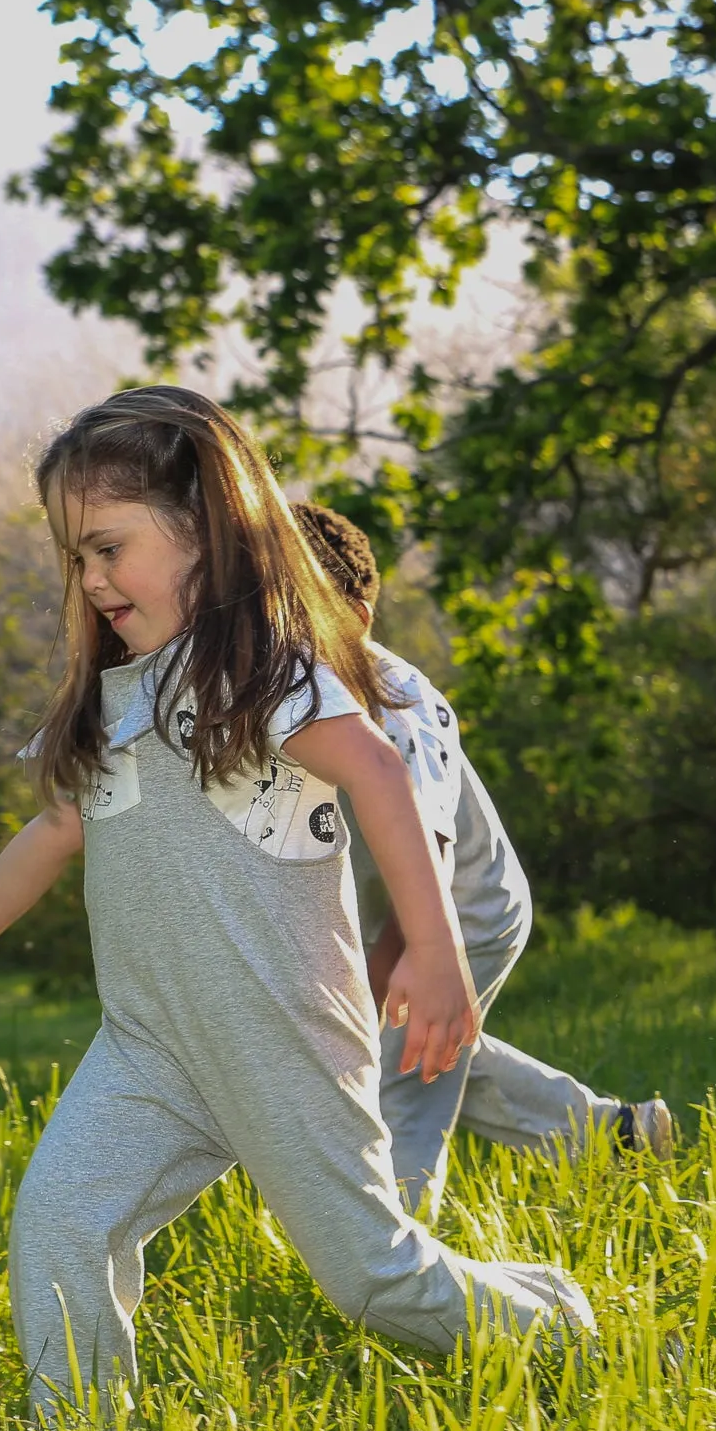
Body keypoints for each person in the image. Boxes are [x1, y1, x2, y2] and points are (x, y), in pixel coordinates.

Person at [0, 387, 594, 1418]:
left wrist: (434, 949)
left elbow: (382, 778)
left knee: (374, 1280)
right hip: (149, 1041)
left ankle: (557, 1330)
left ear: (206, 535)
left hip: (278, 1036)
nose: (88, 579)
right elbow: (58, 829)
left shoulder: (267, 675)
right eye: (73, 557)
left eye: (108, 548)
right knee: (62, 1222)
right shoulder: (112, 695)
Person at [289, 502, 674, 1216]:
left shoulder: (395, 699)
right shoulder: (279, 693)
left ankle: (399, 1256)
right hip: (390, 917)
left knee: (403, 1067)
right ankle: (611, 1134)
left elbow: (429, 846)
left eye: (298, 614)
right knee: (437, 1052)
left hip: (461, 913)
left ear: (359, 619)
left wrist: (396, 967)